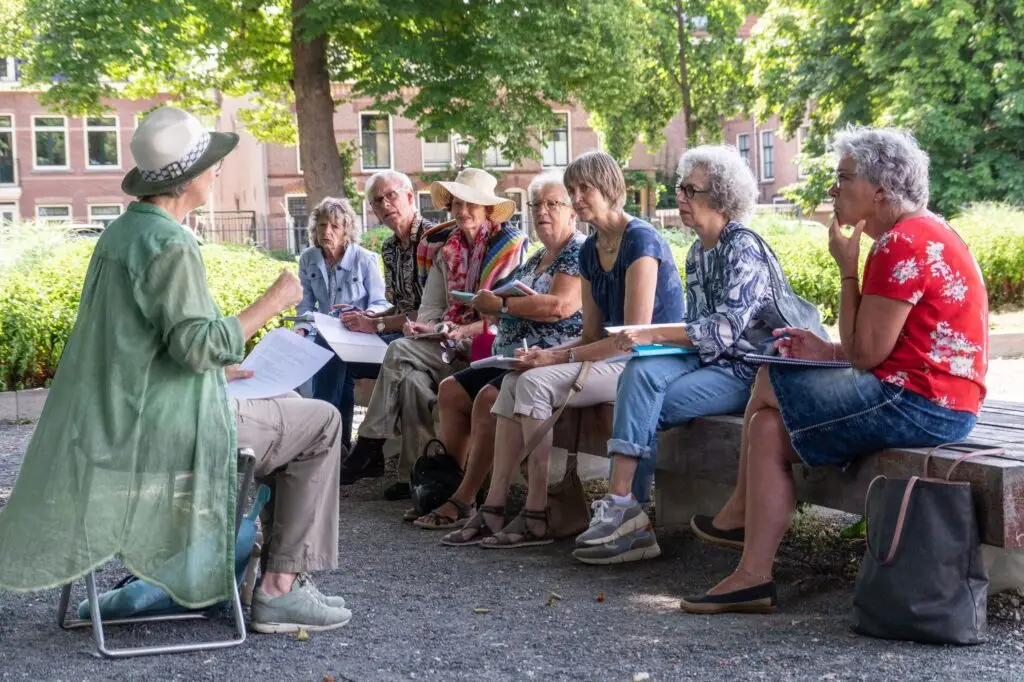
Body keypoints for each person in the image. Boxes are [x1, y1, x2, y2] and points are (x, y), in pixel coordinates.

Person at [0, 107, 351, 634]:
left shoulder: (119, 234)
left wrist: (219, 373)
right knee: (321, 423)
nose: (215, 172)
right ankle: (278, 588)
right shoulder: (171, 242)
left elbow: (138, 347)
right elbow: (198, 346)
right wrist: (273, 300)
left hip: (112, 425)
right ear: (186, 180)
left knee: (295, 411)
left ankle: (236, 569)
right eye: (210, 164)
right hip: (164, 432)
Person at [680, 126, 988, 614]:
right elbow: (887, 347)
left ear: (881, 191)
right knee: (765, 426)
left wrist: (848, 269)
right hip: (936, 398)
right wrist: (827, 351)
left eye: (844, 178)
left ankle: (738, 513)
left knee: (765, 378)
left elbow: (868, 354)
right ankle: (752, 577)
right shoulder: (926, 230)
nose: (833, 189)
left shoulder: (900, 244)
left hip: (921, 404)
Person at [570, 145, 808, 565]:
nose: (679, 197)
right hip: (714, 360)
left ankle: (631, 520)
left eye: (690, 191)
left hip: (750, 371)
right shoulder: (698, 252)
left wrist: (648, 333)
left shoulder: (744, 247)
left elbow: (725, 331)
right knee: (640, 374)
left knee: (641, 395)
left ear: (720, 197)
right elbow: (700, 332)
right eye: (680, 189)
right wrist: (648, 344)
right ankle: (628, 509)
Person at [445, 150, 684, 550]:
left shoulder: (640, 239)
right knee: (514, 381)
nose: (576, 198)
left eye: (582, 189)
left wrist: (553, 357)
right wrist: (540, 357)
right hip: (612, 357)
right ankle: (494, 507)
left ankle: (538, 514)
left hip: (648, 362)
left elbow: (633, 337)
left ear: (609, 188)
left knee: (535, 384)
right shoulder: (591, 249)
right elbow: (591, 332)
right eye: (571, 190)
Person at [411, 170, 586, 529]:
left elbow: (560, 306)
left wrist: (502, 307)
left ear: (573, 212)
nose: (543, 212)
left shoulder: (577, 252)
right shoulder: (537, 257)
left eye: (553, 204)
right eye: (537, 204)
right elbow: (508, 294)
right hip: (511, 355)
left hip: (548, 356)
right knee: (452, 390)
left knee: (488, 397)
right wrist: (489, 304)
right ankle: (449, 484)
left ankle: (466, 499)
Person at [340, 168, 526, 500]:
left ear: (487, 210)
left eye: (471, 205)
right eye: (456, 204)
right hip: (447, 341)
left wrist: (454, 330)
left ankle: (369, 442)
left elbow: (501, 319)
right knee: (410, 380)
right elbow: (431, 307)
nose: (462, 212)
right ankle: (418, 477)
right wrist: (426, 327)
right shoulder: (448, 249)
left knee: (398, 351)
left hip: (488, 345)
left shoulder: (508, 249)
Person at [294, 197, 390, 449]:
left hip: (359, 336)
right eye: (322, 225)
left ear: (346, 230)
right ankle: (337, 444)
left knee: (334, 358)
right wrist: (302, 327)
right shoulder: (308, 259)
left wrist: (363, 316)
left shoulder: (365, 259)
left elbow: (381, 303)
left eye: (334, 226)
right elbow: (305, 306)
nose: (327, 232)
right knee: (319, 354)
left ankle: (324, 440)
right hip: (326, 334)